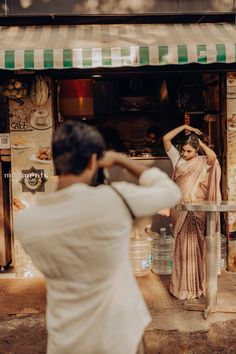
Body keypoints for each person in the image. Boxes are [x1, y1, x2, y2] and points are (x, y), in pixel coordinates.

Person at [14, 120, 181, 354]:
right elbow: (171, 193)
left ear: (55, 161)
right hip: (119, 336)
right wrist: (121, 159)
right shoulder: (113, 199)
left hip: (66, 341)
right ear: (94, 160)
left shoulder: (26, 223)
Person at [163, 124, 221, 300]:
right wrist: (185, 127)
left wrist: (200, 143)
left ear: (196, 151)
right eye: (183, 150)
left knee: (196, 249)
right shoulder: (178, 160)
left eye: (189, 151)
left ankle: (195, 288)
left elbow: (213, 157)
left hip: (197, 212)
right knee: (182, 249)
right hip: (181, 211)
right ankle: (181, 288)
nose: (185, 154)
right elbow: (166, 139)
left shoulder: (203, 161)